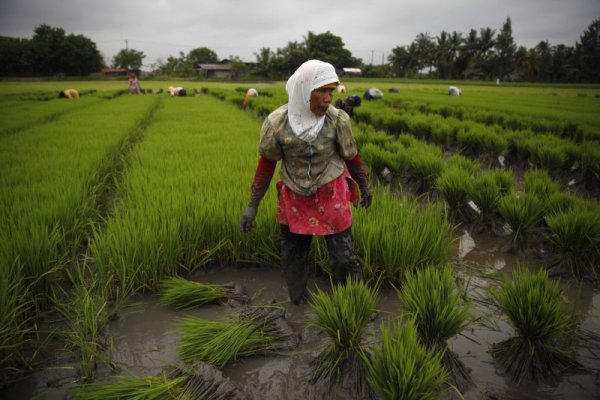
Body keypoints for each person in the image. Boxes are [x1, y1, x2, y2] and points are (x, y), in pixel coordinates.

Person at [239, 59, 372, 304]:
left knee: (344, 257)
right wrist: (252, 206)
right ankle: (298, 304)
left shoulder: (337, 120)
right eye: (321, 90)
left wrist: (364, 186)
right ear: (303, 90)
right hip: (295, 195)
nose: (328, 97)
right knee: (293, 257)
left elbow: (352, 156)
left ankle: (356, 305)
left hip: (331, 192)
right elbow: (266, 165)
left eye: (331, 90)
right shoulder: (277, 123)